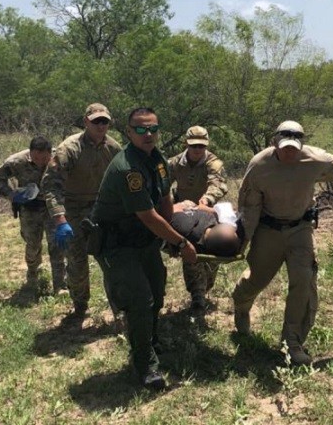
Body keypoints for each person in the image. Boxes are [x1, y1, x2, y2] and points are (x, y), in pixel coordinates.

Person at [232, 120, 333, 366]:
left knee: (304, 282)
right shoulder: (259, 166)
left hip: (300, 229)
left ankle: (292, 342)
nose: (289, 152)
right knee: (257, 278)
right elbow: (249, 205)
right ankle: (241, 304)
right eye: (284, 147)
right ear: (274, 142)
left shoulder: (316, 160)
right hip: (269, 230)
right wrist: (243, 239)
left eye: (294, 147)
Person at [91, 107, 197, 391]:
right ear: (128, 132)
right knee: (139, 299)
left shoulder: (158, 160)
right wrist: (180, 242)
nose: (147, 134)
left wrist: (169, 232)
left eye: (152, 128)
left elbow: (165, 197)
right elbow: (148, 216)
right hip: (117, 244)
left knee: (157, 289)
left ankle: (150, 341)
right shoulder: (128, 168)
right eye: (140, 129)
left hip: (144, 239)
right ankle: (144, 364)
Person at [41, 103, 121, 316]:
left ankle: (119, 309)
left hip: (101, 210)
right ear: (86, 122)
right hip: (73, 210)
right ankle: (80, 306)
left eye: (104, 121)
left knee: (112, 261)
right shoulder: (69, 148)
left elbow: (123, 179)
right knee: (77, 264)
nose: (100, 125)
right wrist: (60, 219)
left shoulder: (113, 148)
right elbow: (50, 185)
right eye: (96, 121)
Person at [0, 136, 66, 293]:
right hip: (29, 208)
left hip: (52, 208)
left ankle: (60, 284)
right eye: (36, 158)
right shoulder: (16, 162)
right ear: (30, 153)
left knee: (57, 245)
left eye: (44, 159)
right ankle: (33, 270)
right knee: (33, 244)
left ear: (50, 153)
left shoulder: (59, 158)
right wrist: (11, 195)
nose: (40, 162)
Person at [168, 126, 228, 310]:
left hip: (206, 213)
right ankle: (197, 296)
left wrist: (207, 200)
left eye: (201, 146)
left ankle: (205, 287)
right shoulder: (174, 163)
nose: (197, 150)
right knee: (190, 252)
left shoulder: (213, 163)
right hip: (183, 215)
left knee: (211, 254)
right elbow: (161, 187)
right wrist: (170, 205)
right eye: (194, 146)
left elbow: (217, 184)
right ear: (186, 144)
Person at [169, 201, 243, 257]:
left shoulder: (186, 227)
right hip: (200, 206)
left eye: (232, 231)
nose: (232, 228)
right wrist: (205, 208)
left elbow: (172, 209)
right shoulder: (213, 235)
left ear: (223, 233)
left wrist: (191, 205)